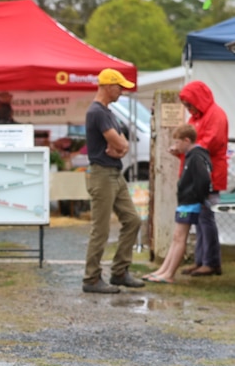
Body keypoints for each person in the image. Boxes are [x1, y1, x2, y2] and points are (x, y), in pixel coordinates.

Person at [82, 68, 144, 294]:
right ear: (108, 86)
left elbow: (122, 142)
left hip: (114, 174)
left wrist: (122, 145)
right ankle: (91, 278)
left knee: (133, 220)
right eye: (119, 87)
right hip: (102, 174)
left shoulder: (107, 111)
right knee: (100, 229)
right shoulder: (97, 112)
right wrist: (122, 145)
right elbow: (118, 143)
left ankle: (119, 272)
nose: (121, 91)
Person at [142, 124, 212, 284]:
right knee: (176, 237)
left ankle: (169, 273)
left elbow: (204, 179)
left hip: (191, 202)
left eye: (178, 142)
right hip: (186, 201)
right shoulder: (190, 156)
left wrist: (199, 199)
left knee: (180, 237)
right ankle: (163, 270)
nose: (176, 146)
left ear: (187, 140)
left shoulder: (196, 157)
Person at [177, 80, 228, 277]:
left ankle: (211, 262)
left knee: (206, 218)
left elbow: (209, 143)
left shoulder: (215, 115)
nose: (188, 108)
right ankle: (201, 261)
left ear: (197, 99)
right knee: (200, 219)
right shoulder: (197, 117)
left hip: (210, 175)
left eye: (189, 103)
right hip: (199, 175)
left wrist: (185, 149)